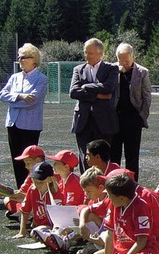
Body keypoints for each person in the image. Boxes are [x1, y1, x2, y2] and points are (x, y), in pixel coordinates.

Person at [0, 43, 48, 188]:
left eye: (24, 57)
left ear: (34, 59)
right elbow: (2, 95)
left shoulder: (41, 79)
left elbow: (32, 102)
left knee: (30, 161)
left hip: (30, 126)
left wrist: (12, 100)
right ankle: (20, 191)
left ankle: (31, 191)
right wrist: (19, 96)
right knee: (16, 160)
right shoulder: (14, 77)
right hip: (13, 123)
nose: (20, 60)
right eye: (19, 57)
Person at [69, 38, 119, 173]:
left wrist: (85, 87)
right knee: (84, 159)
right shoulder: (78, 69)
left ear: (100, 53)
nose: (87, 56)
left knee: (103, 158)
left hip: (104, 122)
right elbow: (73, 92)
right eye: (85, 52)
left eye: (90, 53)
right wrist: (97, 94)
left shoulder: (111, 68)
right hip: (83, 121)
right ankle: (87, 187)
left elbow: (109, 87)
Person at [111, 43, 151, 180]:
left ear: (133, 56)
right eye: (121, 60)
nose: (124, 63)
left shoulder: (142, 72)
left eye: (127, 60)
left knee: (132, 156)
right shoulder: (111, 70)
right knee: (114, 155)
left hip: (133, 118)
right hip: (115, 118)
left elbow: (147, 96)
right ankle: (113, 184)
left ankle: (133, 185)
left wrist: (141, 117)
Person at [15, 162, 63, 239]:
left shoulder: (56, 192)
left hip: (54, 226)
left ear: (50, 179)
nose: (37, 185)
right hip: (39, 224)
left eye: (41, 182)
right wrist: (22, 230)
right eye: (35, 181)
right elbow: (25, 210)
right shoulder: (32, 189)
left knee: (35, 232)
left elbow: (61, 216)